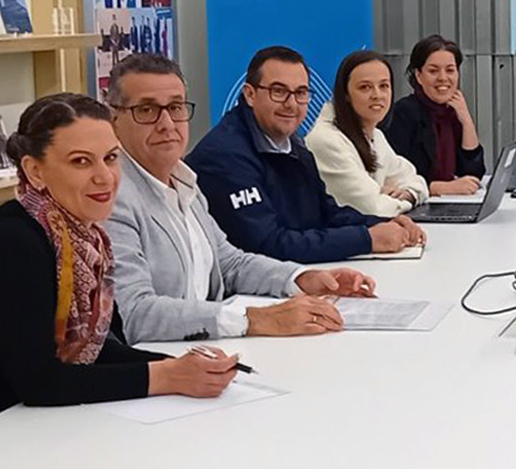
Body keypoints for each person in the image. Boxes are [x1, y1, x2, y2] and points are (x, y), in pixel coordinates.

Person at [0, 94, 239, 454]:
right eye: (81, 162)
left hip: (17, 430)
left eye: (111, 159)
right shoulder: (7, 242)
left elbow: (98, 350)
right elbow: (41, 382)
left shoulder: (84, 239)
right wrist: (164, 376)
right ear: (35, 171)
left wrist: (181, 368)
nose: (105, 177)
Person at [103, 55, 378, 344]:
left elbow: (229, 262)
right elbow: (135, 313)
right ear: (114, 118)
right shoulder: (112, 197)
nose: (166, 123)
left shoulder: (183, 180)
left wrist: (302, 279)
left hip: (203, 352)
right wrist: (256, 319)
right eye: (146, 110)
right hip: (162, 365)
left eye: (175, 107)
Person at [187, 46, 426, 264]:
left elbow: (326, 212)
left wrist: (384, 224)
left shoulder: (292, 143)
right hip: (240, 297)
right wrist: (366, 239)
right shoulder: (225, 156)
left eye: (301, 93)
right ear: (250, 95)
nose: (291, 104)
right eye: (278, 91)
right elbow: (266, 245)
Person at [306, 51, 429, 217]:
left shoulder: (375, 136)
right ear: (346, 95)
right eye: (365, 87)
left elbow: (416, 180)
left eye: (384, 86)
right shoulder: (326, 140)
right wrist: (403, 200)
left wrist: (409, 194)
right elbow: (373, 208)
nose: (377, 95)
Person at [382, 35, 485, 196]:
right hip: (412, 206)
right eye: (433, 71)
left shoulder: (452, 111)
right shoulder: (404, 113)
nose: (443, 78)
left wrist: (466, 119)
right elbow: (394, 178)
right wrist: (439, 188)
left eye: (450, 70)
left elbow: (473, 173)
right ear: (418, 76)